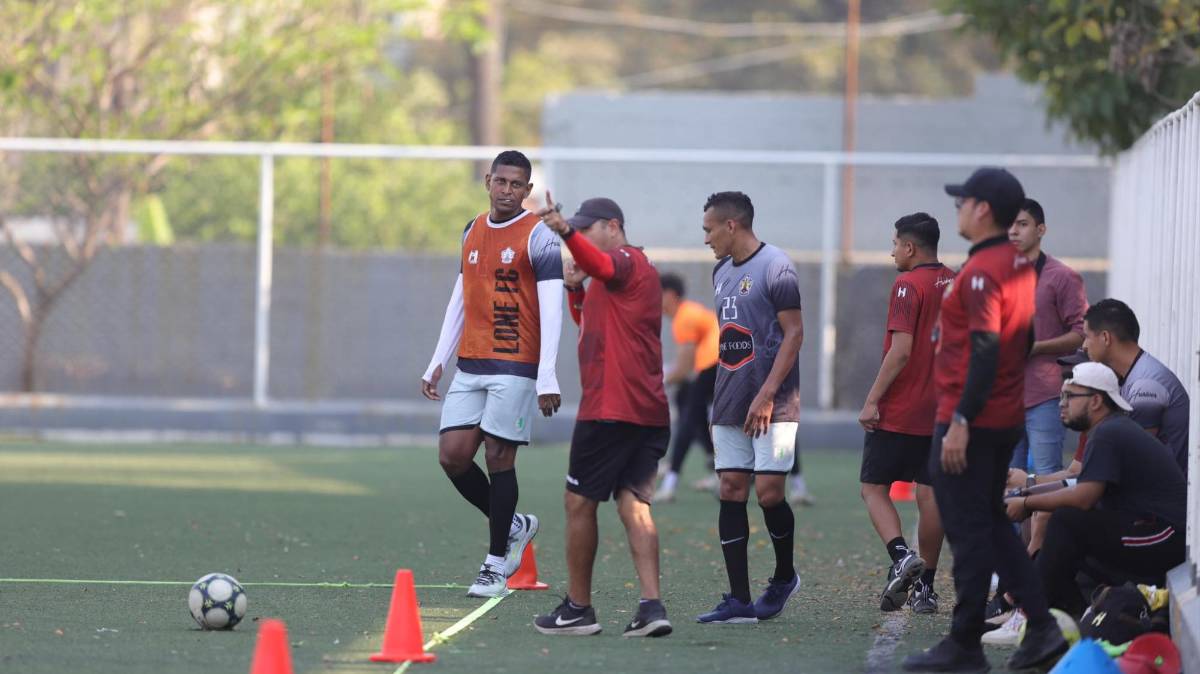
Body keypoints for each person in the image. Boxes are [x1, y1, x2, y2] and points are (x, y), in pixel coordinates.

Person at [902, 167, 1067, 672]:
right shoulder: (1016, 264)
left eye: (964, 201)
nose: (958, 209)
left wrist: (961, 419)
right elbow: (1021, 341)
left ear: (984, 210)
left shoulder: (982, 270)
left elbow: (987, 347)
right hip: (1001, 413)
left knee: (969, 528)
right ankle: (1041, 627)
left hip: (972, 418)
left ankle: (965, 643)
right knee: (990, 524)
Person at [420, 150, 563, 598]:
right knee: (453, 456)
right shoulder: (471, 230)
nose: (507, 190)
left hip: (516, 365)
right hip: (471, 363)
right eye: (500, 181)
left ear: (527, 190)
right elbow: (460, 297)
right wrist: (438, 359)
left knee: (500, 457)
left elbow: (553, 309)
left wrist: (547, 375)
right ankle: (515, 526)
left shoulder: (540, 236)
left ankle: (495, 566)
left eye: (516, 184)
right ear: (488, 181)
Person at [531, 195, 673, 638]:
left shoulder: (626, 261)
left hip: (612, 409)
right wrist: (575, 289)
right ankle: (651, 607)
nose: (579, 238)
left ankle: (578, 608)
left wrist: (563, 231)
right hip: (645, 411)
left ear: (613, 226)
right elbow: (591, 325)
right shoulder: (619, 276)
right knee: (634, 505)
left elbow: (603, 266)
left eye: (585, 229)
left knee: (578, 502)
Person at [696, 191, 804, 625]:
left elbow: (794, 333)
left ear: (731, 225)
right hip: (729, 399)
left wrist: (767, 394)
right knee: (730, 489)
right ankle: (739, 601)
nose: (706, 238)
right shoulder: (720, 271)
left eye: (709, 230)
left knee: (770, 492)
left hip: (776, 403)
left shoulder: (777, 266)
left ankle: (784, 577)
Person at [1004, 362, 1186, 617]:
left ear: (1096, 401)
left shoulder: (1109, 433)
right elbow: (1078, 486)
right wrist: (1025, 494)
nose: (1061, 404)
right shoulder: (1107, 430)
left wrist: (1026, 504)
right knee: (1065, 532)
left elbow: (1084, 497)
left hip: (1162, 538)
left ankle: (1031, 615)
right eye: (1061, 396)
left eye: (1069, 396)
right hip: (1149, 533)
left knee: (1066, 521)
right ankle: (1066, 615)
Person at [857, 212, 953, 615]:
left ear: (910, 247)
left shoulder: (907, 284)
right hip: (943, 409)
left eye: (895, 244)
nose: (892, 251)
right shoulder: (956, 281)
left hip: (902, 409)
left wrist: (872, 400)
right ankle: (925, 588)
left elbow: (900, 351)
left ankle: (900, 557)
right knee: (930, 494)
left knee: (873, 487)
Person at [1008, 198, 1088, 476]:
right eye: (1009, 225)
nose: (1013, 231)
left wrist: (1036, 347)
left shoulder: (1063, 277)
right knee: (1006, 482)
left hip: (1045, 395)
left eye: (1022, 224)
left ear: (1041, 229)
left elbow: (1082, 332)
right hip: (1004, 395)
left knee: (1046, 476)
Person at [1081, 299, 1190, 473]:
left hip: (1161, 488)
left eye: (1087, 336)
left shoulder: (1145, 385)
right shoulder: (1133, 376)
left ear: (1105, 337)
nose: (1084, 346)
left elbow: (1133, 458)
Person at [654, 272, 719, 503]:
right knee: (688, 403)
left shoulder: (684, 317)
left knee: (689, 417)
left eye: (656, 294)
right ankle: (715, 467)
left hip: (716, 363)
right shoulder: (688, 313)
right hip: (720, 364)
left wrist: (655, 383)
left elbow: (683, 369)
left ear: (670, 295)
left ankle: (670, 482)